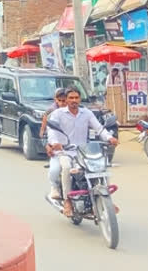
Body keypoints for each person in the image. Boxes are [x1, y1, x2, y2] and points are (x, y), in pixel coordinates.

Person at [46, 87, 119, 216]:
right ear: (66, 100)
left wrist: (110, 138)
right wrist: (54, 143)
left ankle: (107, 199)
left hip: (83, 151)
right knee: (67, 168)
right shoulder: (58, 114)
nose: (74, 100)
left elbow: (99, 128)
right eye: (71, 98)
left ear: (80, 99)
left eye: (76, 98)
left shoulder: (86, 113)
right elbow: (51, 131)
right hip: (65, 151)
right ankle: (67, 200)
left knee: (101, 166)